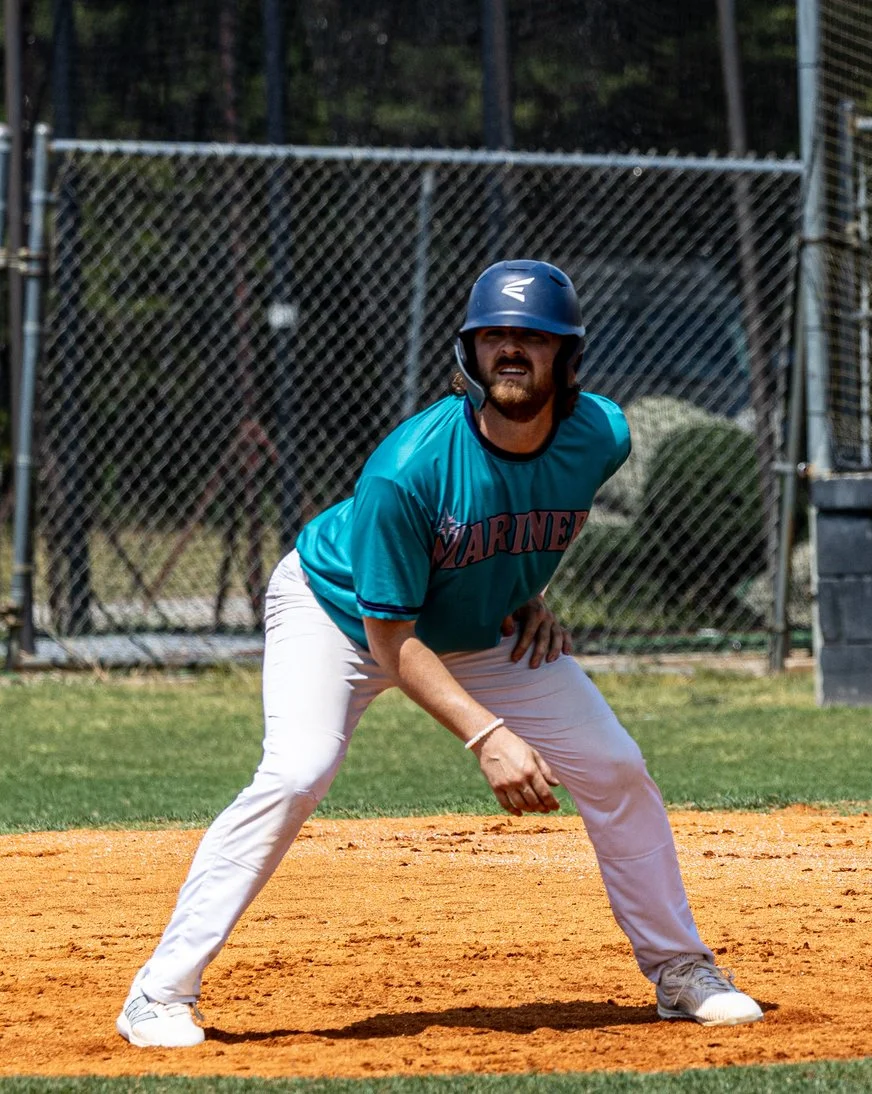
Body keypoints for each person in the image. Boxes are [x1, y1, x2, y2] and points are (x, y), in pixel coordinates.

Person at [117, 260, 764, 1048]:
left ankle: (680, 970)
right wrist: (487, 736)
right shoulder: (408, 469)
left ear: (568, 355)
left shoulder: (603, 433)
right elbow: (391, 638)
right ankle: (158, 993)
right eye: (495, 335)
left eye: (533, 336)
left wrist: (524, 590)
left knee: (615, 764)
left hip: (478, 621)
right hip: (341, 613)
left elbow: (548, 507)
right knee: (297, 770)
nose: (512, 351)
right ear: (470, 351)